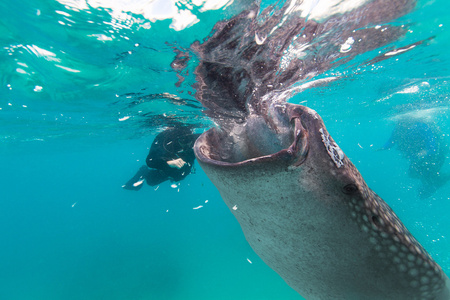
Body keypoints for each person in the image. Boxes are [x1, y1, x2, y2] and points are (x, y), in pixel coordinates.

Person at [383, 118, 449, 198]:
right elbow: (391, 141)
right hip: (420, 158)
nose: (400, 124)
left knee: (423, 173)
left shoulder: (422, 126)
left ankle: (439, 181)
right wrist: (382, 148)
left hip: (436, 155)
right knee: (415, 173)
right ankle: (435, 183)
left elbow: (433, 149)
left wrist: (421, 154)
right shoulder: (398, 128)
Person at [123, 125, 200, 191]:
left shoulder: (195, 139)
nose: (187, 144)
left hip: (182, 170)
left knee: (180, 175)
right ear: (177, 139)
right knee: (151, 181)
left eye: (190, 139)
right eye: (183, 140)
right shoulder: (164, 139)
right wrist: (168, 163)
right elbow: (150, 160)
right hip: (168, 167)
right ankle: (143, 171)